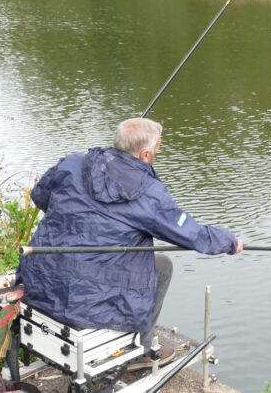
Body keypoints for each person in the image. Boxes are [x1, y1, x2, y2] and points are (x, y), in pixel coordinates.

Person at [16, 117, 242, 368]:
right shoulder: (148, 193)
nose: (158, 152)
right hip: (86, 301)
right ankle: (142, 349)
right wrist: (229, 241)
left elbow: (40, 197)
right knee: (163, 265)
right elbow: (192, 234)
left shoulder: (73, 163)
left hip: (42, 280)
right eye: (158, 148)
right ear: (145, 154)